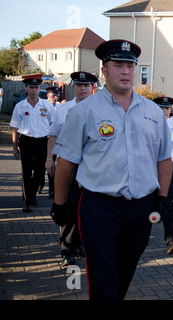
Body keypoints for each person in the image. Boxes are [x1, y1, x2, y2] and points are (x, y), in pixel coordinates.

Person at [51, 39, 173, 300]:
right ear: (104, 70)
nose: (126, 71)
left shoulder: (153, 112)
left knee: (124, 272)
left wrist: (163, 198)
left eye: (131, 65)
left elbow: (164, 158)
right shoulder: (84, 111)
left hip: (141, 208)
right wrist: (60, 203)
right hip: (99, 207)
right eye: (118, 65)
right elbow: (66, 161)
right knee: (103, 277)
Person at [46, 71, 97, 267]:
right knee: (68, 204)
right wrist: (50, 159)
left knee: (86, 207)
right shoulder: (63, 109)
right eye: (79, 85)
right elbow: (53, 135)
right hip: (69, 164)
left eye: (87, 86)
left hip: (92, 165)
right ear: (73, 87)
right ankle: (67, 248)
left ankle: (80, 243)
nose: (83, 89)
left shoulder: (100, 108)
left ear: (92, 88)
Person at [10, 78, 53, 213]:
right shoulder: (20, 106)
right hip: (26, 141)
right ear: (27, 89)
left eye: (36, 88)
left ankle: (32, 194)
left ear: (39, 89)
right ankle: (27, 201)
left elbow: (53, 124)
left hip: (42, 142)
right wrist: (14, 146)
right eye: (31, 88)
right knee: (27, 172)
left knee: (40, 172)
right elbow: (15, 128)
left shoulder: (46, 105)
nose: (34, 90)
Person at [153, 96, 173, 254]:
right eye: (161, 107)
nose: (164, 111)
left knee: (168, 203)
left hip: (168, 167)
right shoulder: (147, 123)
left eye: (167, 108)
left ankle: (172, 238)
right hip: (149, 168)